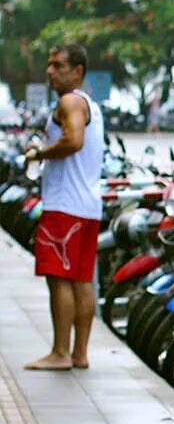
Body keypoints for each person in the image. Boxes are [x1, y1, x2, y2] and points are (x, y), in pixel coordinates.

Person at [24, 44, 105, 370]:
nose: (50, 71)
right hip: (87, 206)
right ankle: (79, 354)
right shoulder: (91, 106)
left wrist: (38, 154)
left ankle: (60, 353)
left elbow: (73, 141)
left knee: (59, 278)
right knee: (81, 280)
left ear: (78, 71)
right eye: (49, 64)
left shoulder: (70, 101)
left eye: (57, 65)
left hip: (64, 207)